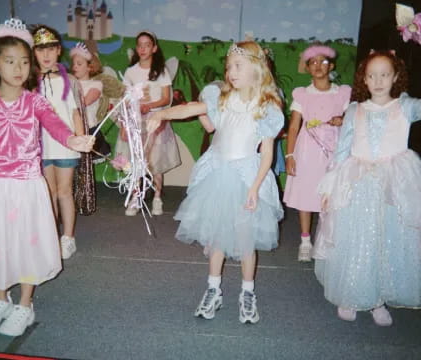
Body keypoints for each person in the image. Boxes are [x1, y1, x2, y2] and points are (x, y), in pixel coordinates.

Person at [148, 41, 284, 324]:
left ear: (257, 69)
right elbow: (191, 110)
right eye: (229, 66)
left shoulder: (267, 106)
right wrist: (161, 113)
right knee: (218, 237)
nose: (231, 71)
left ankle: (248, 293)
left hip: (246, 176)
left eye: (238, 66)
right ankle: (213, 289)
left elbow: (267, 153)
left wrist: (256, 187)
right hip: (217, 173)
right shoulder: (221, 97)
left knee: (246, 241)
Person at [313, 50, 421, 326]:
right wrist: (329, 187)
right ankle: (351, 294)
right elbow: (342, 150)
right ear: (364, 79)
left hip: (395, 184)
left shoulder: (405, 106)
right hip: (358, 182)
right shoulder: (355, 109)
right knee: (356, 240)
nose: (378, 81)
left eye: (385, 75)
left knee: (387, 239)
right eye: (372, 75)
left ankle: (378, 298)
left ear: (396, 77)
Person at [0, 19, 93, 337]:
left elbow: (55, 125)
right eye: (10, 61)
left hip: (27, 184)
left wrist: (74, 140)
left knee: (26, 242)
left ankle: (25, 304)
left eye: (25, 62)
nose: (19, 68)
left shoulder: (34, 101)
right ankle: (0, 297)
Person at [31, 25, 95, 260]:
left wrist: (80, 139)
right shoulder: (29, 82)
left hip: (66, 144)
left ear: (58, 51)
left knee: (65, 191)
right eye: (40, 49)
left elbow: (75, 113)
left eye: (50, 48)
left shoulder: (67, 80)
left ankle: (68, 238)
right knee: (48, 193)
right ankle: (50, 237)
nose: (46, 54)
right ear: (33, 52)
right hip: (41, 146)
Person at [282, 45, 351, 262]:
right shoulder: (302, 95)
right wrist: (290, 156)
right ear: (308, 68)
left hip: (334, 150)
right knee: (307, 194)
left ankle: (327, 239)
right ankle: (305, 241)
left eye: (323, 62)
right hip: (307, 151)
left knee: (331, 195)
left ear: (331, 66)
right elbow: (293, 127)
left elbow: (354, 118)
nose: (318, 66)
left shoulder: (341, 93)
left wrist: (343, 119)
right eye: (313, 63)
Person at [116, 30, 180, 216]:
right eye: (140, 45)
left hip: (155, 120)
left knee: (155, 159)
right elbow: (125, 97)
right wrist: (133, 106)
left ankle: (157, 196)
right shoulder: (131, 71)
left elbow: (166, 98)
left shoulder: (161, 71)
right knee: (137, 158)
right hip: (136, 120)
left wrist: (149, 105)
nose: (143, 48)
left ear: (154, 48)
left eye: (147, 45)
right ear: (136, 48)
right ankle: (136, 196)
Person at [70, 42, 111, 163]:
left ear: (89, 67)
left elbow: (83, 103)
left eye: (79, 64)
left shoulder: (95, 85)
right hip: (72, 130)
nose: (75, 67)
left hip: (89, 130)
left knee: (87, 167)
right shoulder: (70, 84)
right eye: (73, 64)